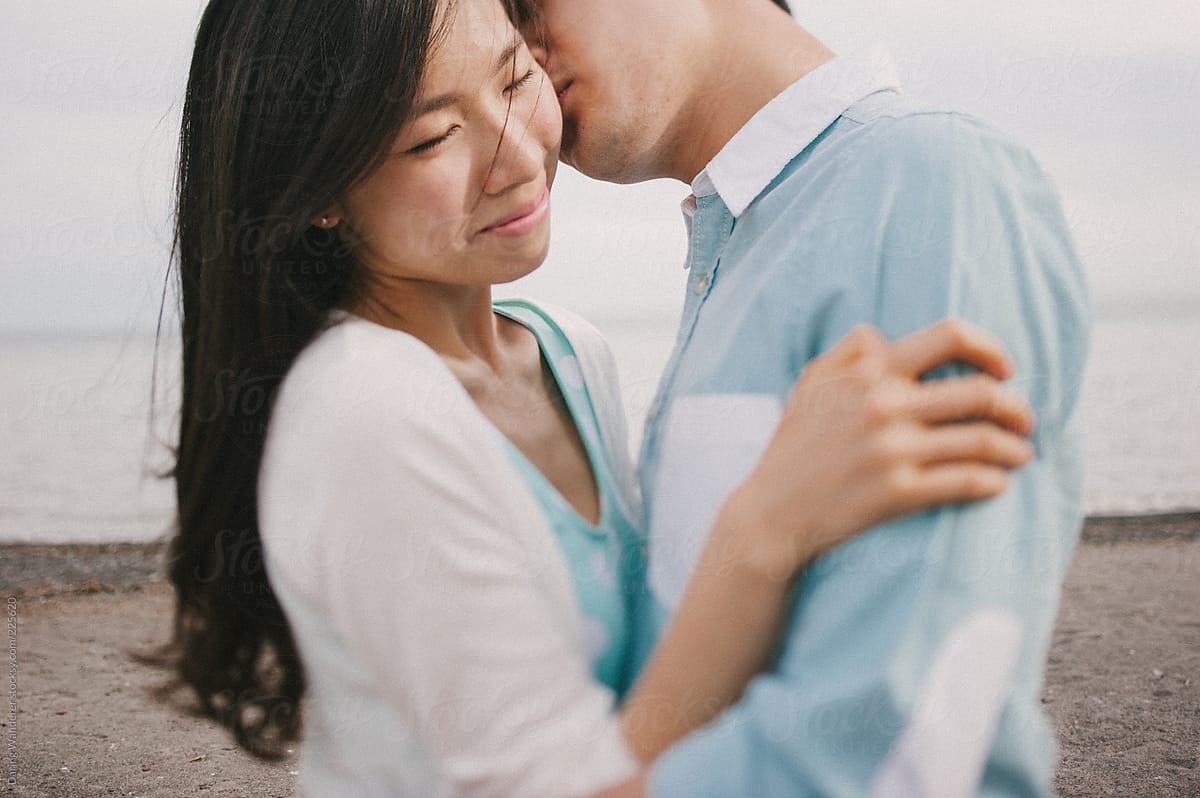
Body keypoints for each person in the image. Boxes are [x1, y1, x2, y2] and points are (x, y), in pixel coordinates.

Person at [161, 0, 1037, 795]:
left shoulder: (569, 352)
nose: (514, 155)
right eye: (433, 139)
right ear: (320, 196)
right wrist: (765, 529)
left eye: (515, 78)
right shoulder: (365, 408)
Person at [521, 0, 1091, 795]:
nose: (518, 59)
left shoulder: (927, 181)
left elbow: (893, 747)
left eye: (522, 6)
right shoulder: (741, 245)